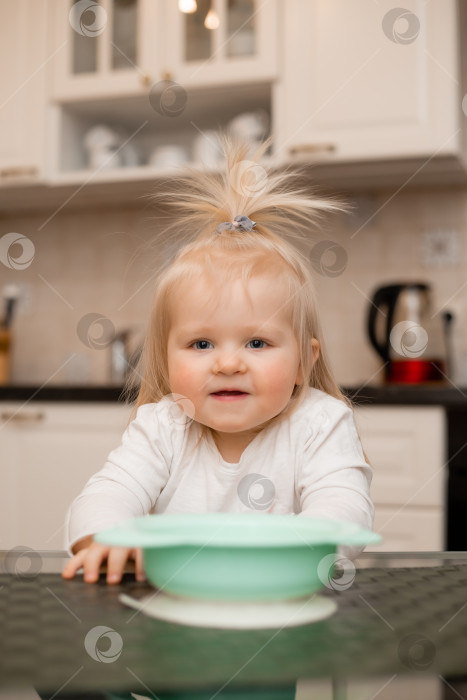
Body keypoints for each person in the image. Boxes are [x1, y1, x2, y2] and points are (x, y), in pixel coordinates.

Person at [62, 138, 374, 585]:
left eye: (258, 343)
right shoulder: (164, 427)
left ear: (305, 362)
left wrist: (306, 544)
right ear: (165, 359)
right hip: (177, 611)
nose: (228, 364)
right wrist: (104, 537)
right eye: (202, 345)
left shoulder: (320, 424)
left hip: (285, 606)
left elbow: (345, 506)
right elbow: (108, 493)